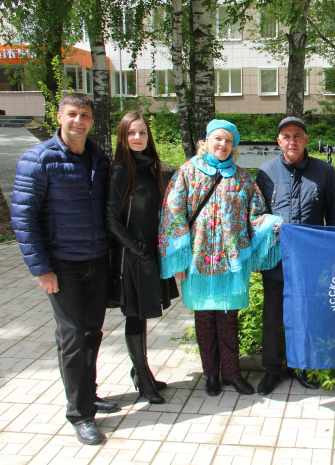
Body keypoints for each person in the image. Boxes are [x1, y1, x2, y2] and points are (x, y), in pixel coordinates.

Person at [11, 93, 116, 445]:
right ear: (59, 116)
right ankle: (80, 414)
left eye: (85, 115)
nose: (78, 121)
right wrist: (41, 267)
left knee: (91, 334)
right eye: (72, 114)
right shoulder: (37, 159)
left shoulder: (99, 159)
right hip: (62, 266)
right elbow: (23, 218)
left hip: (97, 262)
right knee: (72, 338)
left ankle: (89, 394)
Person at [159, 119, 282, 397]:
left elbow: (255, 214)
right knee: (204, 319)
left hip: (231, 263)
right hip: (198, 262)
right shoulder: (188, 172)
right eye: (217, 139)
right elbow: (172, 214)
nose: (222, 145)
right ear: (206, 141)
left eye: (228, 141)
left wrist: (271, 223)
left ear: (233, 146)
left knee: (228, 318)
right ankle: (211, 375)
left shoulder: (242, 178)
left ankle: (233, 373)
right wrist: (177, 261)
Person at [256, 116, 335, 395]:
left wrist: (331, 256)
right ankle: (272, 369)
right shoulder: (266, 172)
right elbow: (258, 215)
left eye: (297, 135)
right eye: (286, 136)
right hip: (276, 257)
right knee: (273, 316)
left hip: (311, 259)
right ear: (279, 141)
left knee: (305, 314)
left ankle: (302, 366)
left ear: (306, 140)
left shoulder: (324, 171)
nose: (292, 140)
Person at [105, 111, 178, 405]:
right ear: (123, 138)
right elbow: (110, 218)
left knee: (142, 315)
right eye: (131, 133)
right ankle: (142, 378)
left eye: (142, 133)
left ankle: (142, 371)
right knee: (134, 316)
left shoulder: (148, 167)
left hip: (148, 251)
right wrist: (137, 248)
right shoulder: (122, 170)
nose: (138, 138)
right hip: (132, 255)